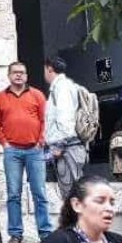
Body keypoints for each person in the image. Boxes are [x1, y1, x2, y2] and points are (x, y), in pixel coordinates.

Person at [0, 61, 52, 243]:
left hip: (35, 150)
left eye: (22, 72)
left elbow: (46, 120)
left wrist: (41, 141)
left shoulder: (37, 95)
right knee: (13, 195)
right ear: (9, 75)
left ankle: (45, 234)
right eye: (15, 72)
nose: (18, 75)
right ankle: (15, 234)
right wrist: (4, 143)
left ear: (26, 76)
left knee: (39, 193)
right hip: (12, 152)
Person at [44, 56, 87, 202]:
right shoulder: (61, 87)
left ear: (49, 69)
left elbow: (65, 118)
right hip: (66, 149)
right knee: (71, 195)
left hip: (68, 149)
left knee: (73, 196)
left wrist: (60, 145)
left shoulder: (62, 88)